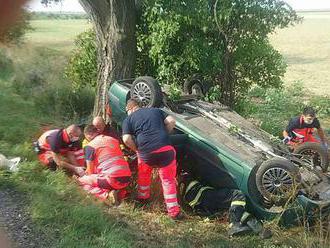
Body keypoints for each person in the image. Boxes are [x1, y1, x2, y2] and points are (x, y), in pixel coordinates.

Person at [122, 99, 182, 220]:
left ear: (130, 108)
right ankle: (174, 213)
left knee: (144, 174)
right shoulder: (156, 111)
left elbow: (126, 139)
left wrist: (137, 150)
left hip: (146, 153)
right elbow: (171, 121)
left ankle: (143, 199)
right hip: (166, 150)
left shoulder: (129, 119)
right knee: (168, 180)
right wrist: (165, 134)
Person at [181, 176, 271, 238]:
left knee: (236, 209)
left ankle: (259, 230)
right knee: (237, 195)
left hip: (199, 204)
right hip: (201, 194)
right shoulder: (186, 175)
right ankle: (235, 225)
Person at [78, 125, 131, 204]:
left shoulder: (90, 146)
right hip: (127, 178)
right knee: (101, 177)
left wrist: (82, 174)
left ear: (88, 135)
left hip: (112, 179)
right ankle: (120, 193)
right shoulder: (113, 139)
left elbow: (90, 171)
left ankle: (106, 195)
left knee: (81, 181)